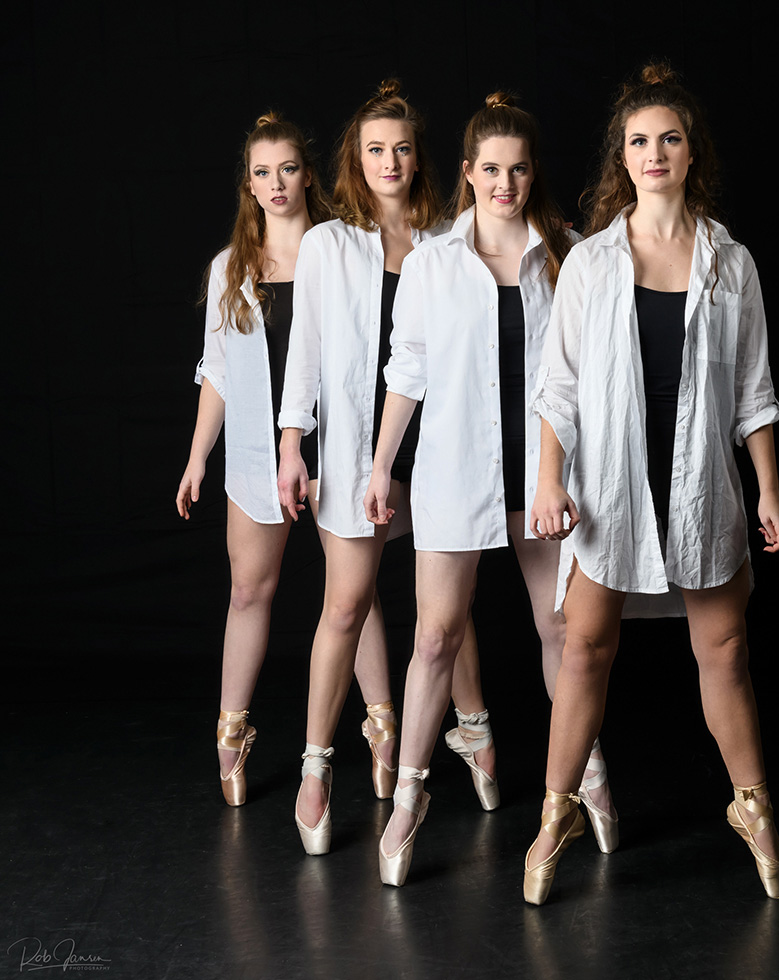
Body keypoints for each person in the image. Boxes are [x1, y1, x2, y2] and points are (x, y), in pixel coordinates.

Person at [524, 63, 779, 905]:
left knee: (725, 649)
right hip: (610, 489)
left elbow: (753, 391)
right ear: (623, 157)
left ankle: (753, 808)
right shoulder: (592, 262)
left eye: (669, 139)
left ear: (690, 152)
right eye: (639, 141)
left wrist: (769, 491)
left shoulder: (731, 265)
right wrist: (548, 481)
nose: (654, 153)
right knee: (584, 649)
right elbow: (559, 386)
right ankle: (557, 814)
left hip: (701, 487)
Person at [364, 92, 607, 888]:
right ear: (468, 172)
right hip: (454, 472)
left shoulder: (568, 255)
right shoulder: (432, 261)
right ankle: (409, 797)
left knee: (563, 632)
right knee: (435, 638)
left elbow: (590, 371)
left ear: (534, 174)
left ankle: (587, 777)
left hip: (545, 478)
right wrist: (380, 466)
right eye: (491, 170)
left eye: (519, 170)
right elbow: (407, 370)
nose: (505, 184)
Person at [277, 80, 489, 855]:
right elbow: (304, 352)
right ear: (356, 161)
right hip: (354, 453)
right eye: (375, 150)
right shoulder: (327, 245)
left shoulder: (449, 242)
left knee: (446, 615)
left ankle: (475, 734)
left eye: (401, 149)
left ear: (419, 158)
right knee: (345, 605)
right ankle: (316, 766)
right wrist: (291, 444)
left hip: (438, 452)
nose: (390, 162)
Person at [176, 113, 398, 808]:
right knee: (249, 591)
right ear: (249, 185)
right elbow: (217, 372)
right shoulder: (230, 268)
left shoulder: (346, 251)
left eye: (289, 169)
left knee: (354, 595)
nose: (276, 184)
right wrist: (197, 458)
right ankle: (231, 732)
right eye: (262, 173)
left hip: (339, 449)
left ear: (308, 175)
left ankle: (384, 729)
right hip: (254, 455)